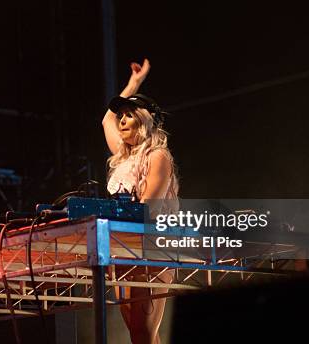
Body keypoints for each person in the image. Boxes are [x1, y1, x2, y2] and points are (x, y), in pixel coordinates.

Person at [102, 58, 179, 344]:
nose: (121, 120)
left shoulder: (157, 156)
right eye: (121, 115)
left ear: (145, 120)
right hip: (124, 247)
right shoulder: (124, 158)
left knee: (143, 332)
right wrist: (134, 82)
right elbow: (106, 119)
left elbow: (149, 207)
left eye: (128, 114)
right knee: (138, 333)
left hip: (152, 247)